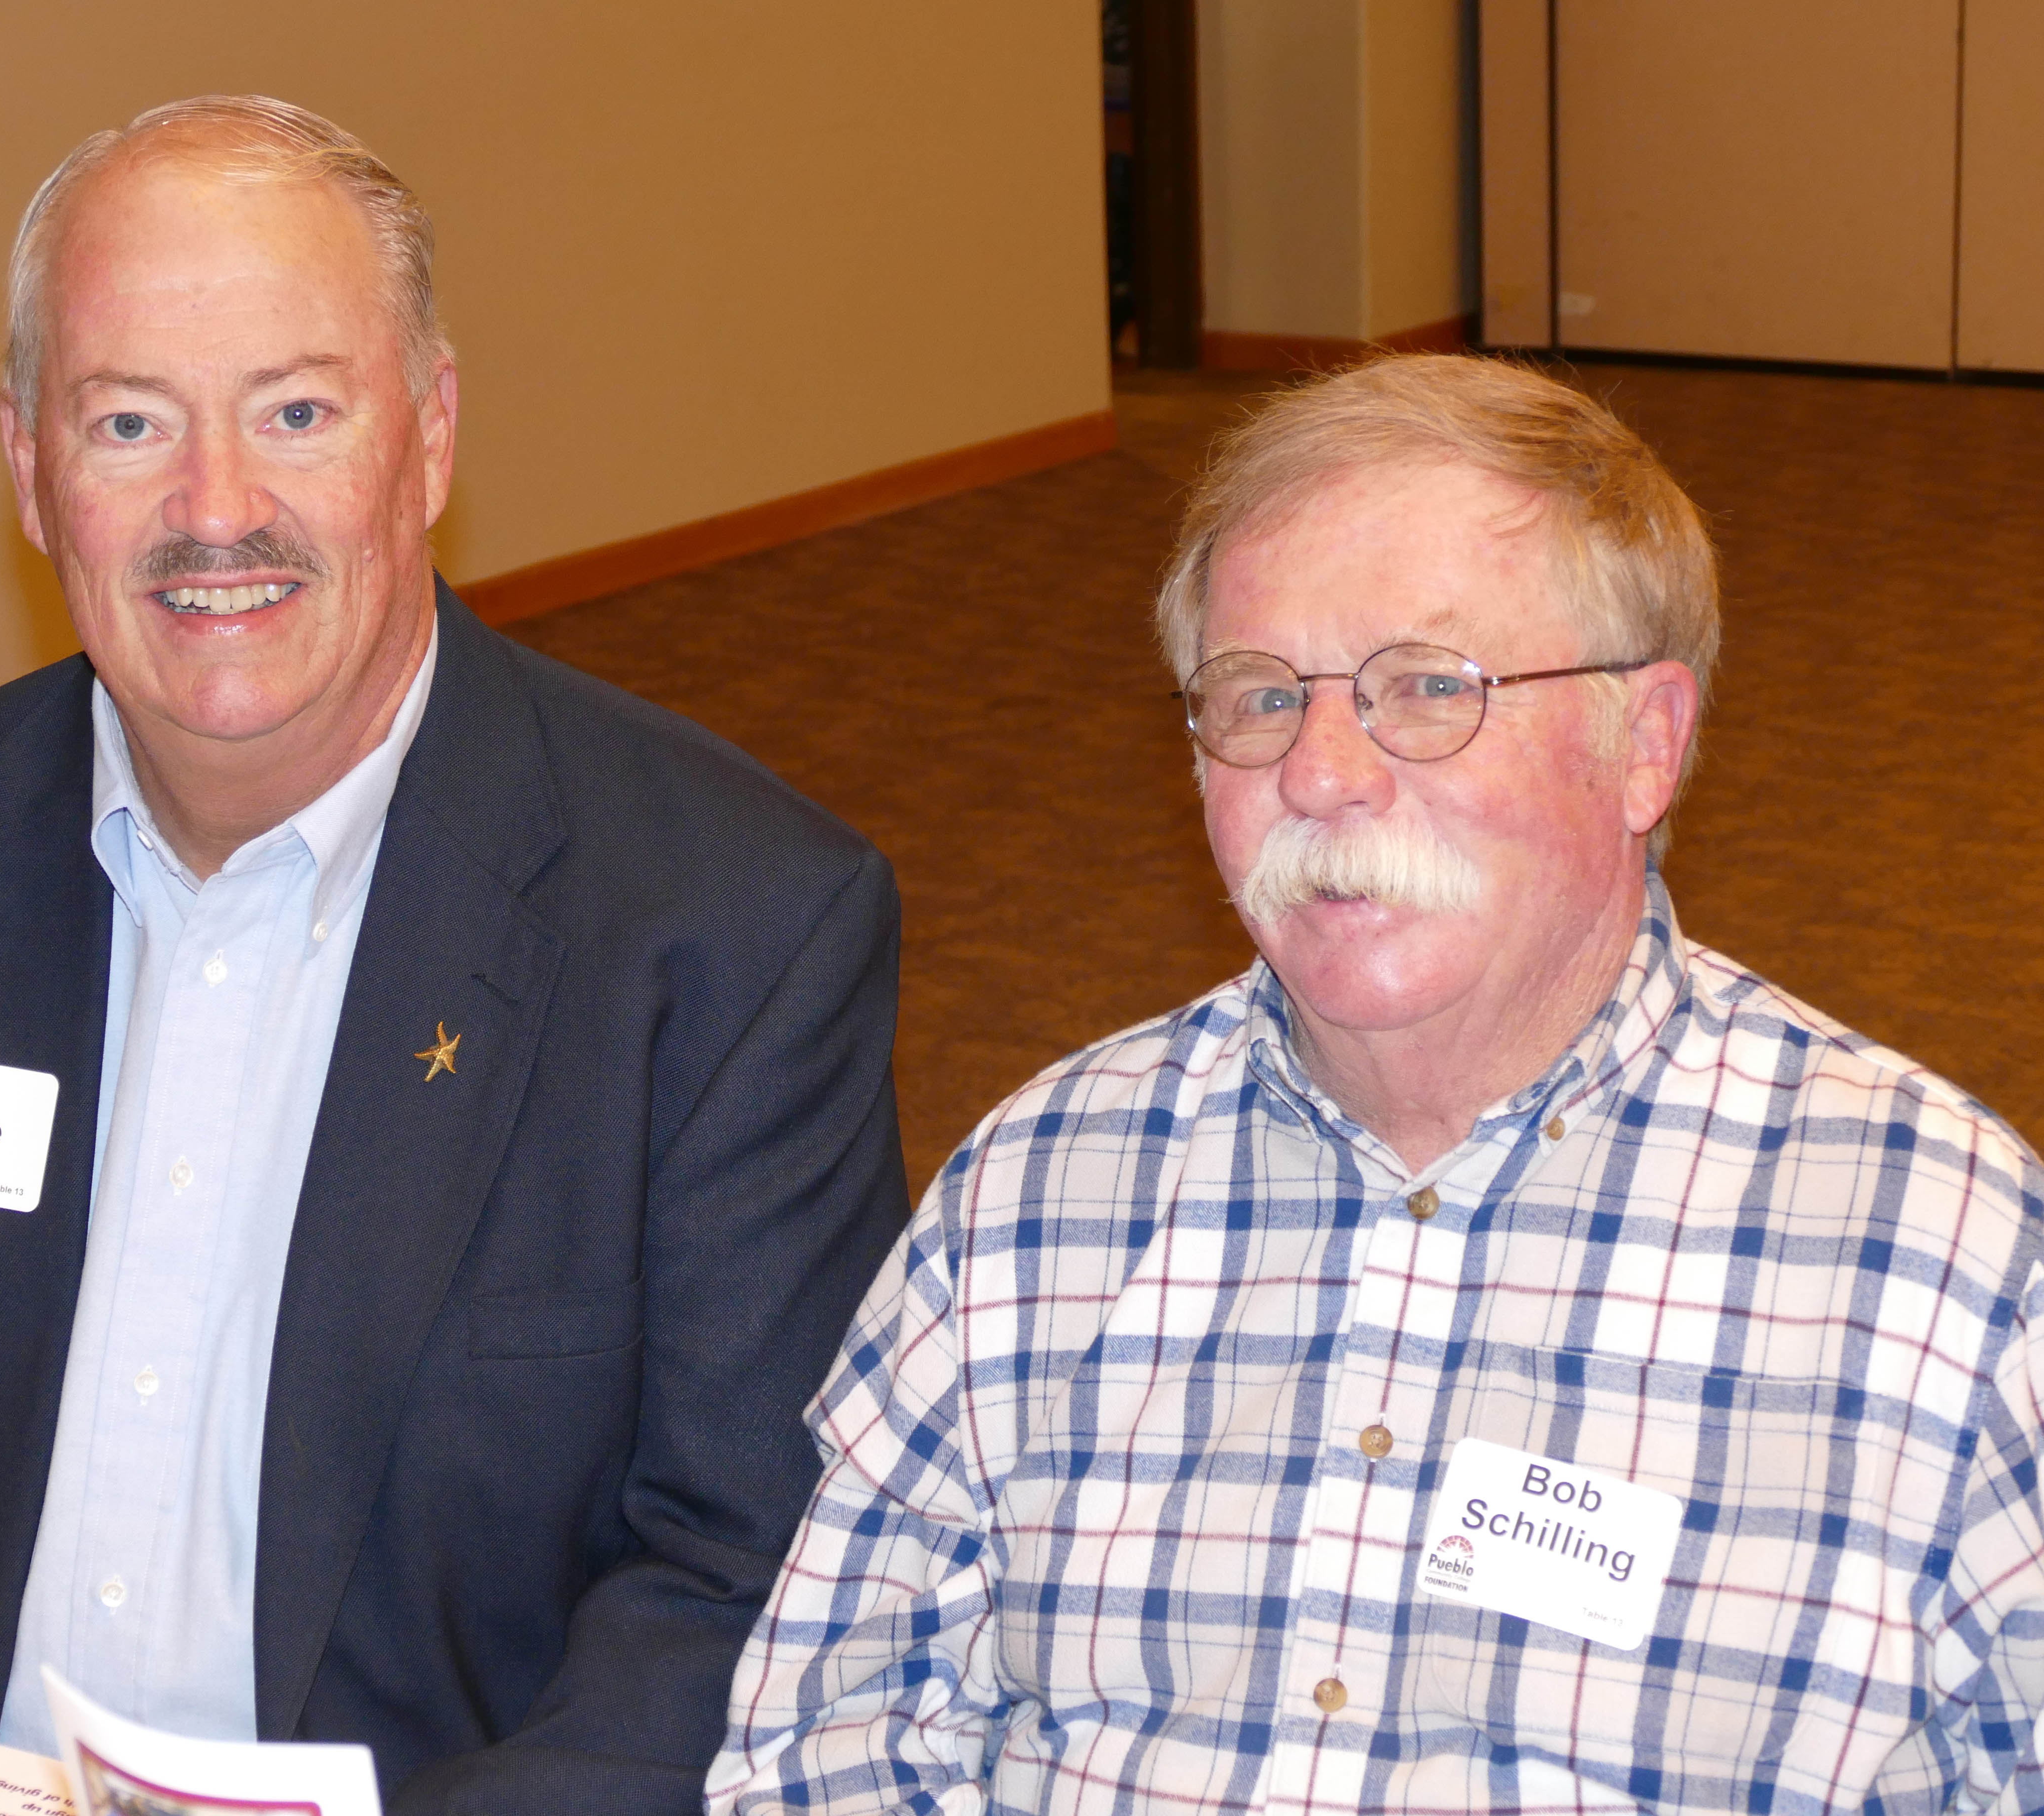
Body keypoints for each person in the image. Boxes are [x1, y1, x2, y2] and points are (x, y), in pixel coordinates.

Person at [0, 95, 909, 1815]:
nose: (217, 508)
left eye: (297, 411)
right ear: (30, 470)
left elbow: (741, 1581)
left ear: (427, 439)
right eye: (129, 422)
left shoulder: (725, 927)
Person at [708, 354, 2044, 1814]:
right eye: (1262, 696)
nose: (1323, 770)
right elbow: (824, 1744)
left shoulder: (1951, 1266)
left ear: (1647, 744)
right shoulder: (1037, 1198)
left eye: (1427, 686)